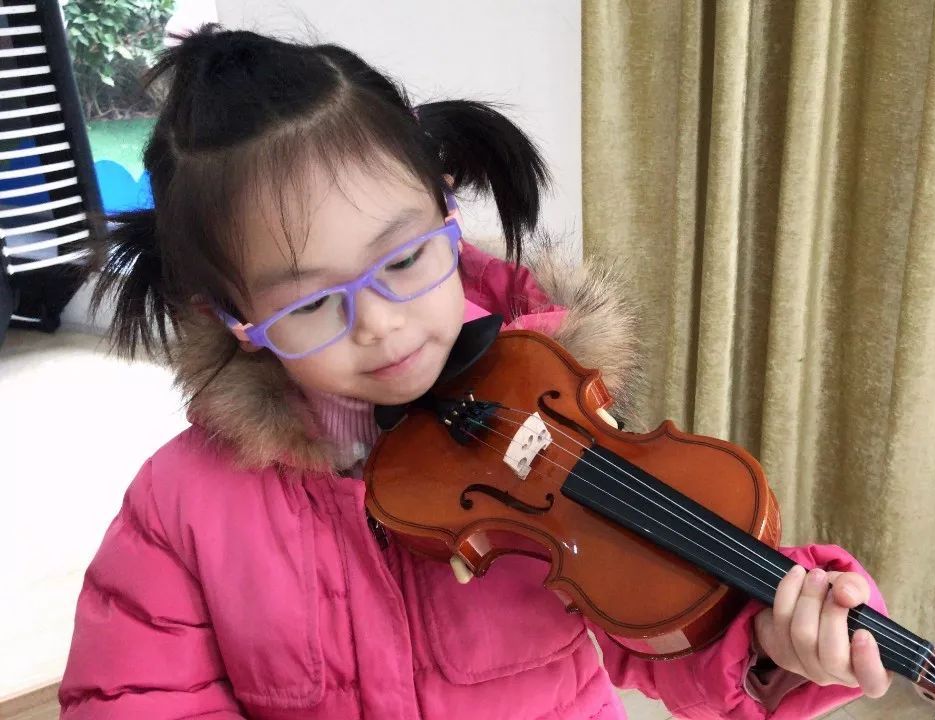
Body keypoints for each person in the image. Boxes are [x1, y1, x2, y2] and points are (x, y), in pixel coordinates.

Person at [59, 25, 890, 719]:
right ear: (235, 322)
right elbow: (131, 699)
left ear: (448, 208)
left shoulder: (549, 419)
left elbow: (659, 628)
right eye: (310, 305)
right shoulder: (180, 505)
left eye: (405, 258)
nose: (380, 324)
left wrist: (771, 640)